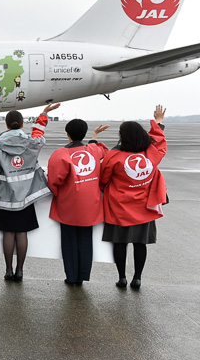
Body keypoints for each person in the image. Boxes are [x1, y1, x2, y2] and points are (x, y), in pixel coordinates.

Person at [0, 103, 59, 281]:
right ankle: (20, 270)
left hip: (5, 197)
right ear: (22, 124)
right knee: (22, 233)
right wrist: (44, 114)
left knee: (8, 233)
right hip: (25, 197)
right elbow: (39, 133)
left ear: (7, 124)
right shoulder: (31, 143)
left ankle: (8, 270)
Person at [100, 105, 168, 291]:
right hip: (144, 207)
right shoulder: (150, 155)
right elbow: (159, 142)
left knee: (119, 243)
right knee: (140, 244)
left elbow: (103, 179)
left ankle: (122, 277)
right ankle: (137, 278)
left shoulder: (114, 156)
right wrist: (158, 121)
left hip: (119, 207)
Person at [47, 119, 110, 286]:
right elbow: (103, 150)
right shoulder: (93, 150)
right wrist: (95, 136)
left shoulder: (60, 154)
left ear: (67, 134)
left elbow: (54, 180)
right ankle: (82, 276)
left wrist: (57, 193)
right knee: (85, 240)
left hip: (68, 203)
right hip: (91, 204)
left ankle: (71, 276)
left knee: (68, 241)